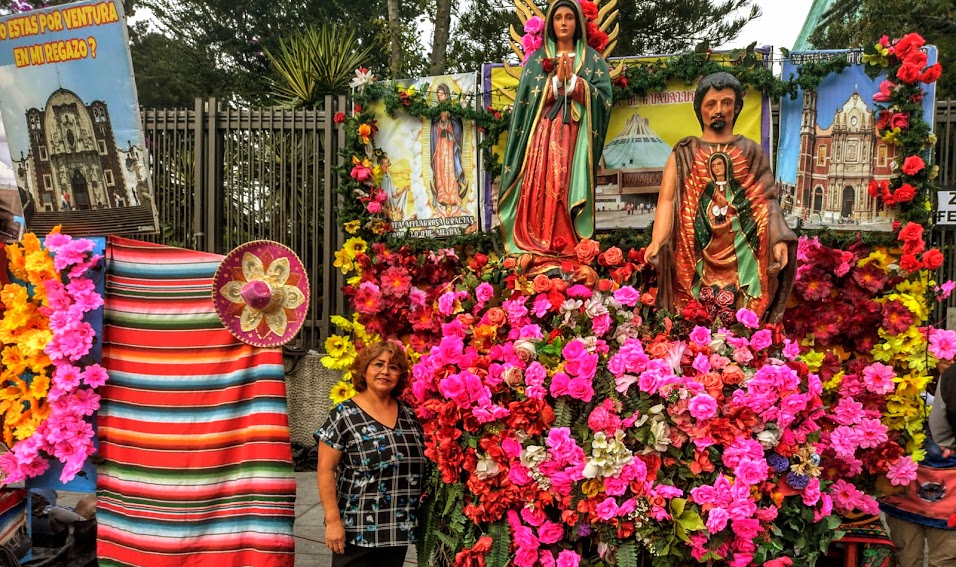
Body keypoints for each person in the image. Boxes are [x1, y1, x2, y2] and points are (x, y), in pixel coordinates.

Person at [645, 72, 797, 323]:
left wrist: (778, 238)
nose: (719, 110)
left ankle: (739, 338)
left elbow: (766, 202)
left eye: (726, 102)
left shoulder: (750, 151)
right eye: (711, 104)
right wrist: (658, 239)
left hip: (739, 244)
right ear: (700, 109)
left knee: (741, 307)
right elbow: (667, 199)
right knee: (693, 311)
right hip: (696, 245)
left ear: (736, 107)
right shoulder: (686, 152)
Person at [497, 0, 612, 274]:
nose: (563, 23)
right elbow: (526, 101)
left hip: (574, 137)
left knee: (564, 187)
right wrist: (554, 84)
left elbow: (605, 99)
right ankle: (537, 243)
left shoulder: (593, 61)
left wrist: (575, 84)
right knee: (541, 187)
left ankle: (569, 245)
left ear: (578, 24)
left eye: (569, 17)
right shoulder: (538, 61)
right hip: (542, 138)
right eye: (558, 17)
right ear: (550, 24)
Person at [315, 341, 425, 567]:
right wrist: (333, 521)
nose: (385, 371)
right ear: (364, 370)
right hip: (357, 532)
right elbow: (325, 470)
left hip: (397, 529)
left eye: (393, 367)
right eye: (378, 364)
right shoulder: (344, 414)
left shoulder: (408, 414)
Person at [880, 360, 956, 566]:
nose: (949, 360)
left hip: (952, 491)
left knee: (945, 559)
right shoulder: (905, 383)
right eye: (943, 353)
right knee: (905, 556)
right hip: (905, 484)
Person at [430, 84, 466, 217]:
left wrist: (449, 122)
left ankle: (453, 194)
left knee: (450, 170)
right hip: (439, 147)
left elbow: (458, 127)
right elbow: (433, 130)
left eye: (442, 94)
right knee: (440, 170)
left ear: (447, 94)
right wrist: (441, 123)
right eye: (438, 94)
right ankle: (442, 194)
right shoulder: (435, 113)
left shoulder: (453, 110)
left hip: (450, 146)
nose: (440, 96)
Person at [380, 157, 409, 222]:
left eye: (388, 163)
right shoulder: (379, 175)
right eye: (386, 163)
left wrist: (404, 189)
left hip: (389, 202)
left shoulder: (388, 175)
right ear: (382, 165)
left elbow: (394, 192)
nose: (388, 165)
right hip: (383, 203)